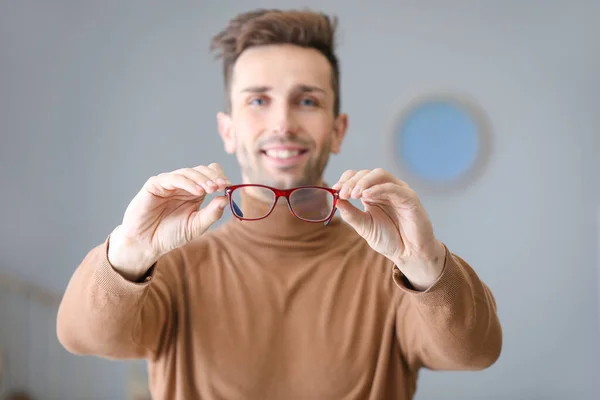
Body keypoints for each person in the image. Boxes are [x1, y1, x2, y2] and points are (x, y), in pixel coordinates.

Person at [56, 8, 502, 400]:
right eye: (258, 100)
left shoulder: (395, 273)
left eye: (307, 100)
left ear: (338, 130)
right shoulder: (170, 268)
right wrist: (129, 252)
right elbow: (80, 336)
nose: (283, 123)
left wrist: (425, 263)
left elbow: (477, 352)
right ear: (228, 130)